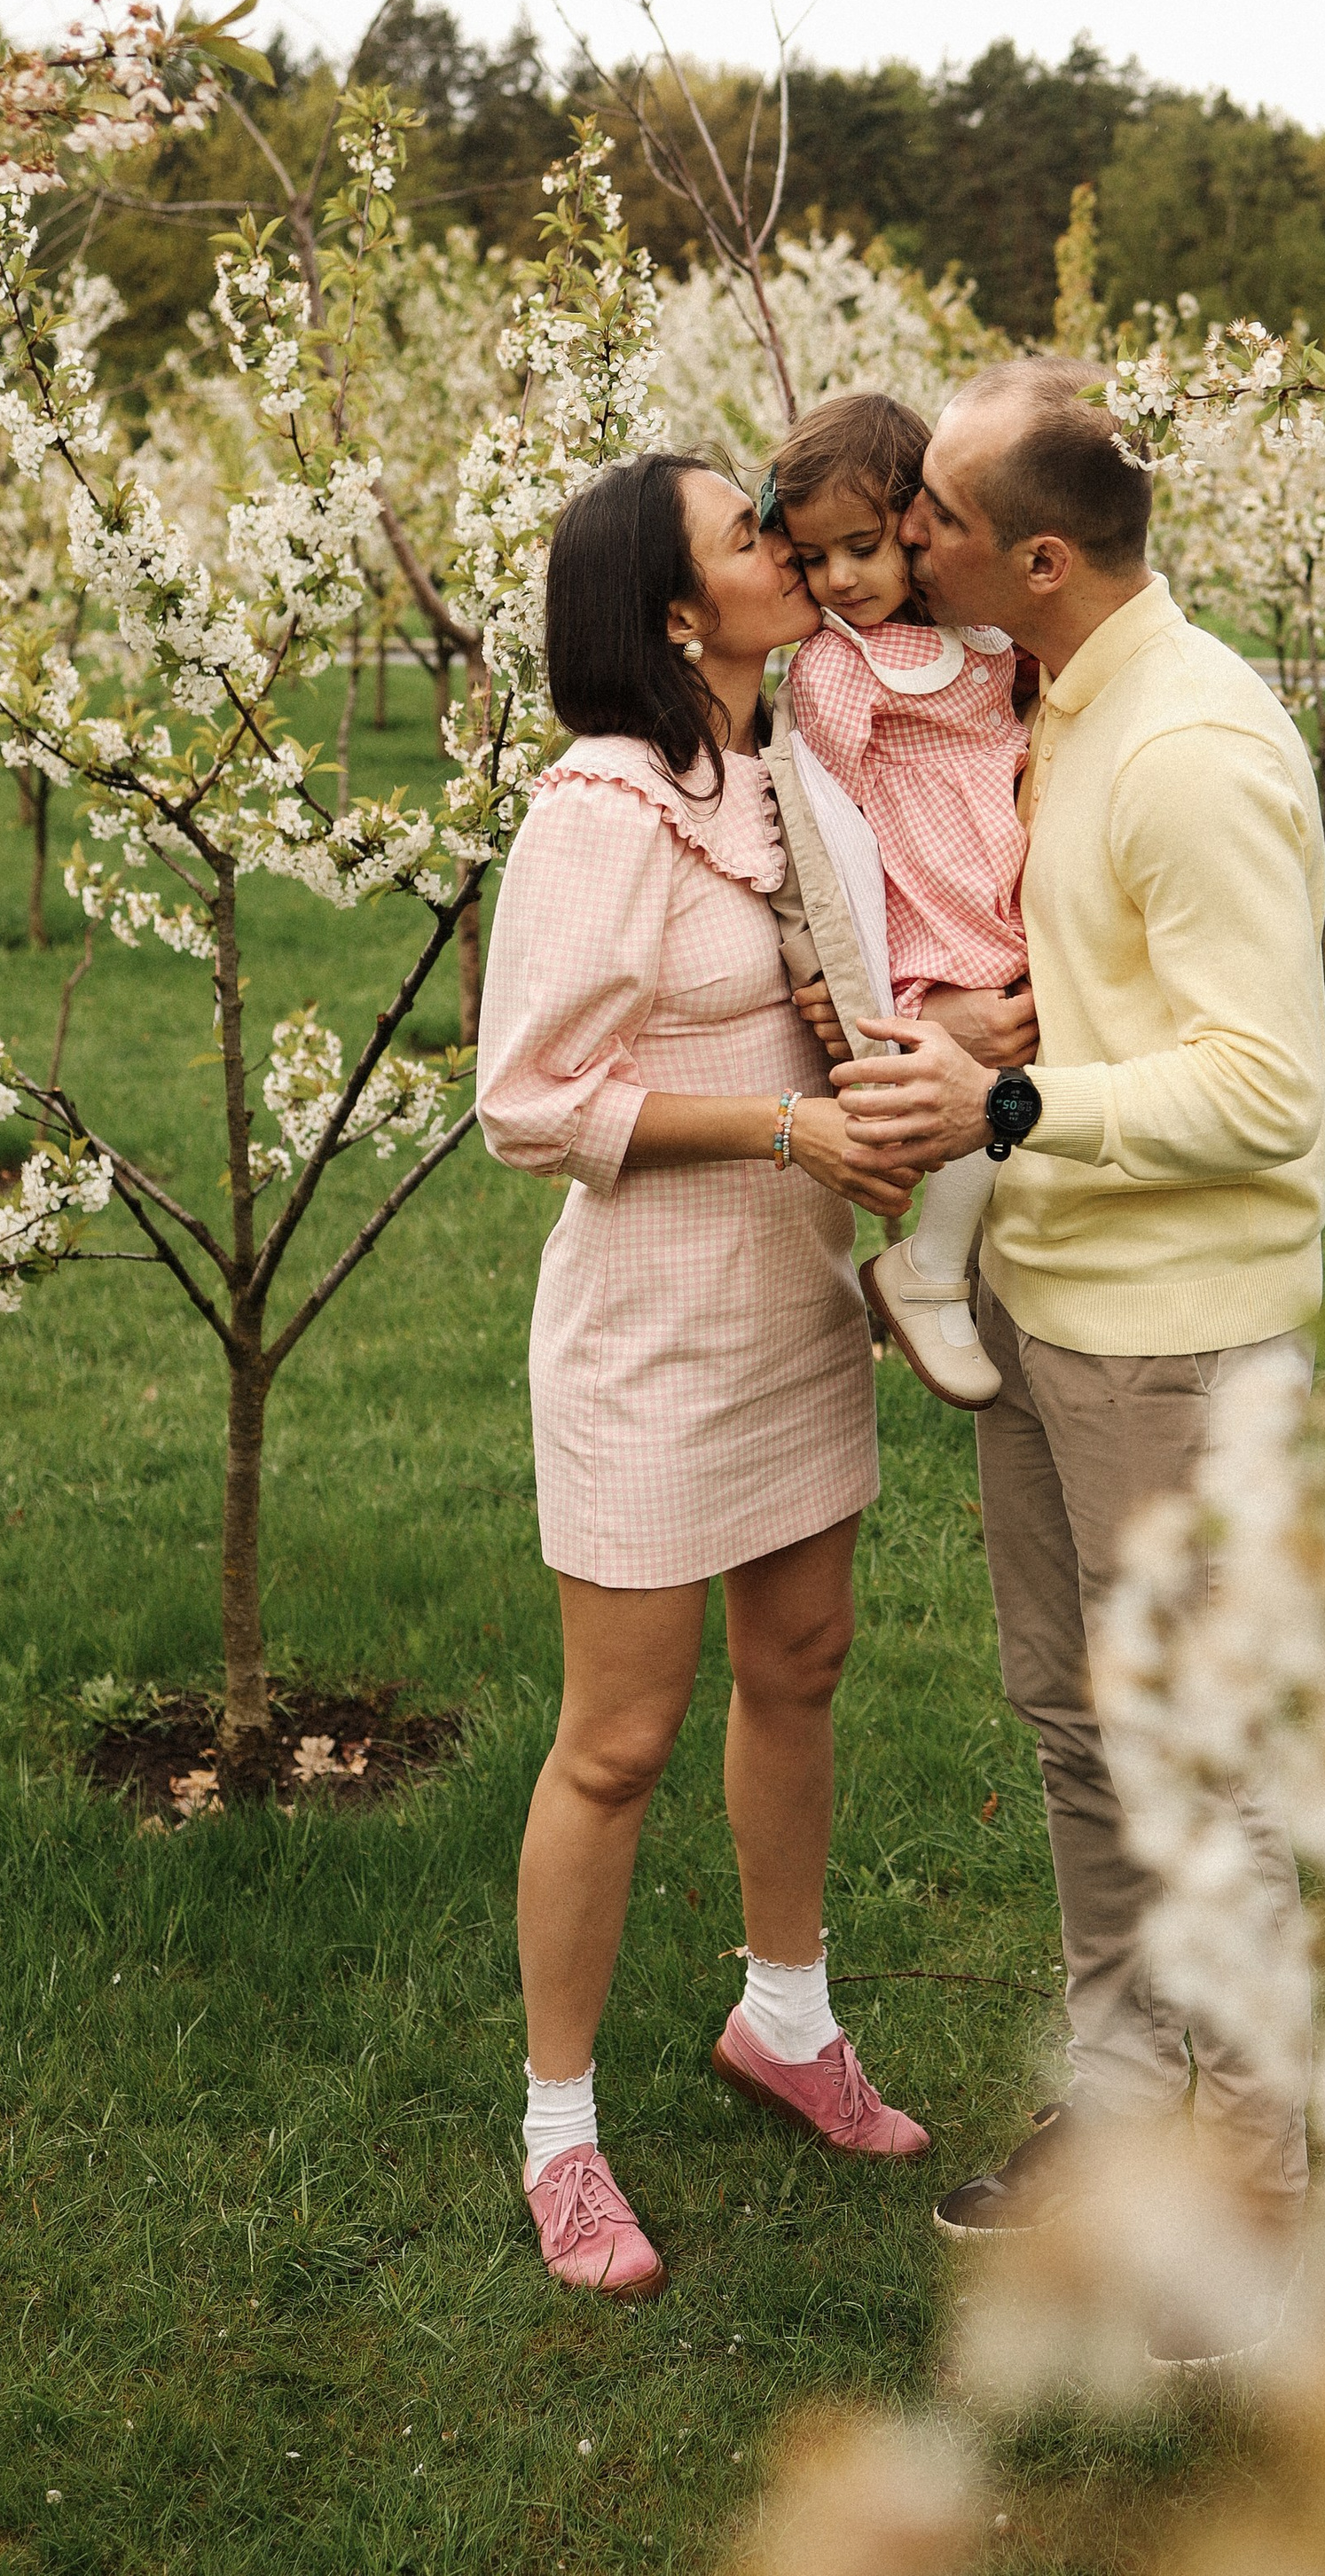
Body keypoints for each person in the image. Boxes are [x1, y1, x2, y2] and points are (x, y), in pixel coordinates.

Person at [832, 355, 1325, 2266]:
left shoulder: (1189, 750)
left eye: (936, 517)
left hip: (1175, 1341)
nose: (904, 531)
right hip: (1047, 1308)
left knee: (1198, 1768)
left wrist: (1007, 1104)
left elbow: (1263, 1091)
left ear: (1036, 558)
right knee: (1072, 1729)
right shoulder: (1052, 698)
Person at [475, 450, 931, 2307]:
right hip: (651, 1343)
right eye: (749, 538)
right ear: (676, 613)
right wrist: (780, 1124)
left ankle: (785, 2019)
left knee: (800, 1666)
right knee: (619, 1738)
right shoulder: (598, 814)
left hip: (793, 1309)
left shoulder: (763, 774)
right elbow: (523, 1105)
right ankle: (557, 2132)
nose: (792, 553)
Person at [764, 388, 1033, 1412]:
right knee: (994, 1067)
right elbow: (818, 826)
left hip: (1006, 878)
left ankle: (949, 1262)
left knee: (1025, 1062)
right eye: (814, 557)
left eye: (863, 546)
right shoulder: (839, 668)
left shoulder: (981, 629)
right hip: (937, 907)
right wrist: (839, 976)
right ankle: (930, 1264)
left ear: (915, 521)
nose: (840, 578)